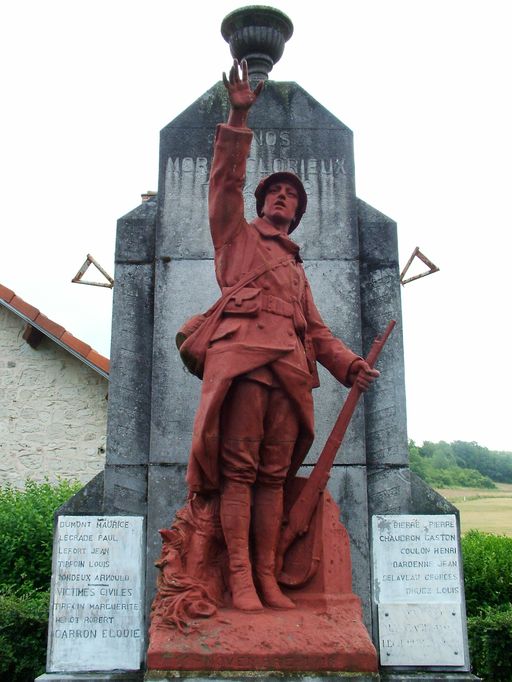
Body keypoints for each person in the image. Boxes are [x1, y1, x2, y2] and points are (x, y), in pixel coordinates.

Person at [185, 60, 379, 613]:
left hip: (291, 371)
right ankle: (241, 581)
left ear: (298, 213)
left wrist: (348, 365)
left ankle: (268, 580)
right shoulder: (236, 238)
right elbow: (224, 181)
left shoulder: (296, 268)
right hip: (245, 362)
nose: (282, 198)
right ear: (262, 200)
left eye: (292, 196)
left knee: (275, 477)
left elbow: (315, 331)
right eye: (275, 191)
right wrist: (238, 116)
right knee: (239, 475)